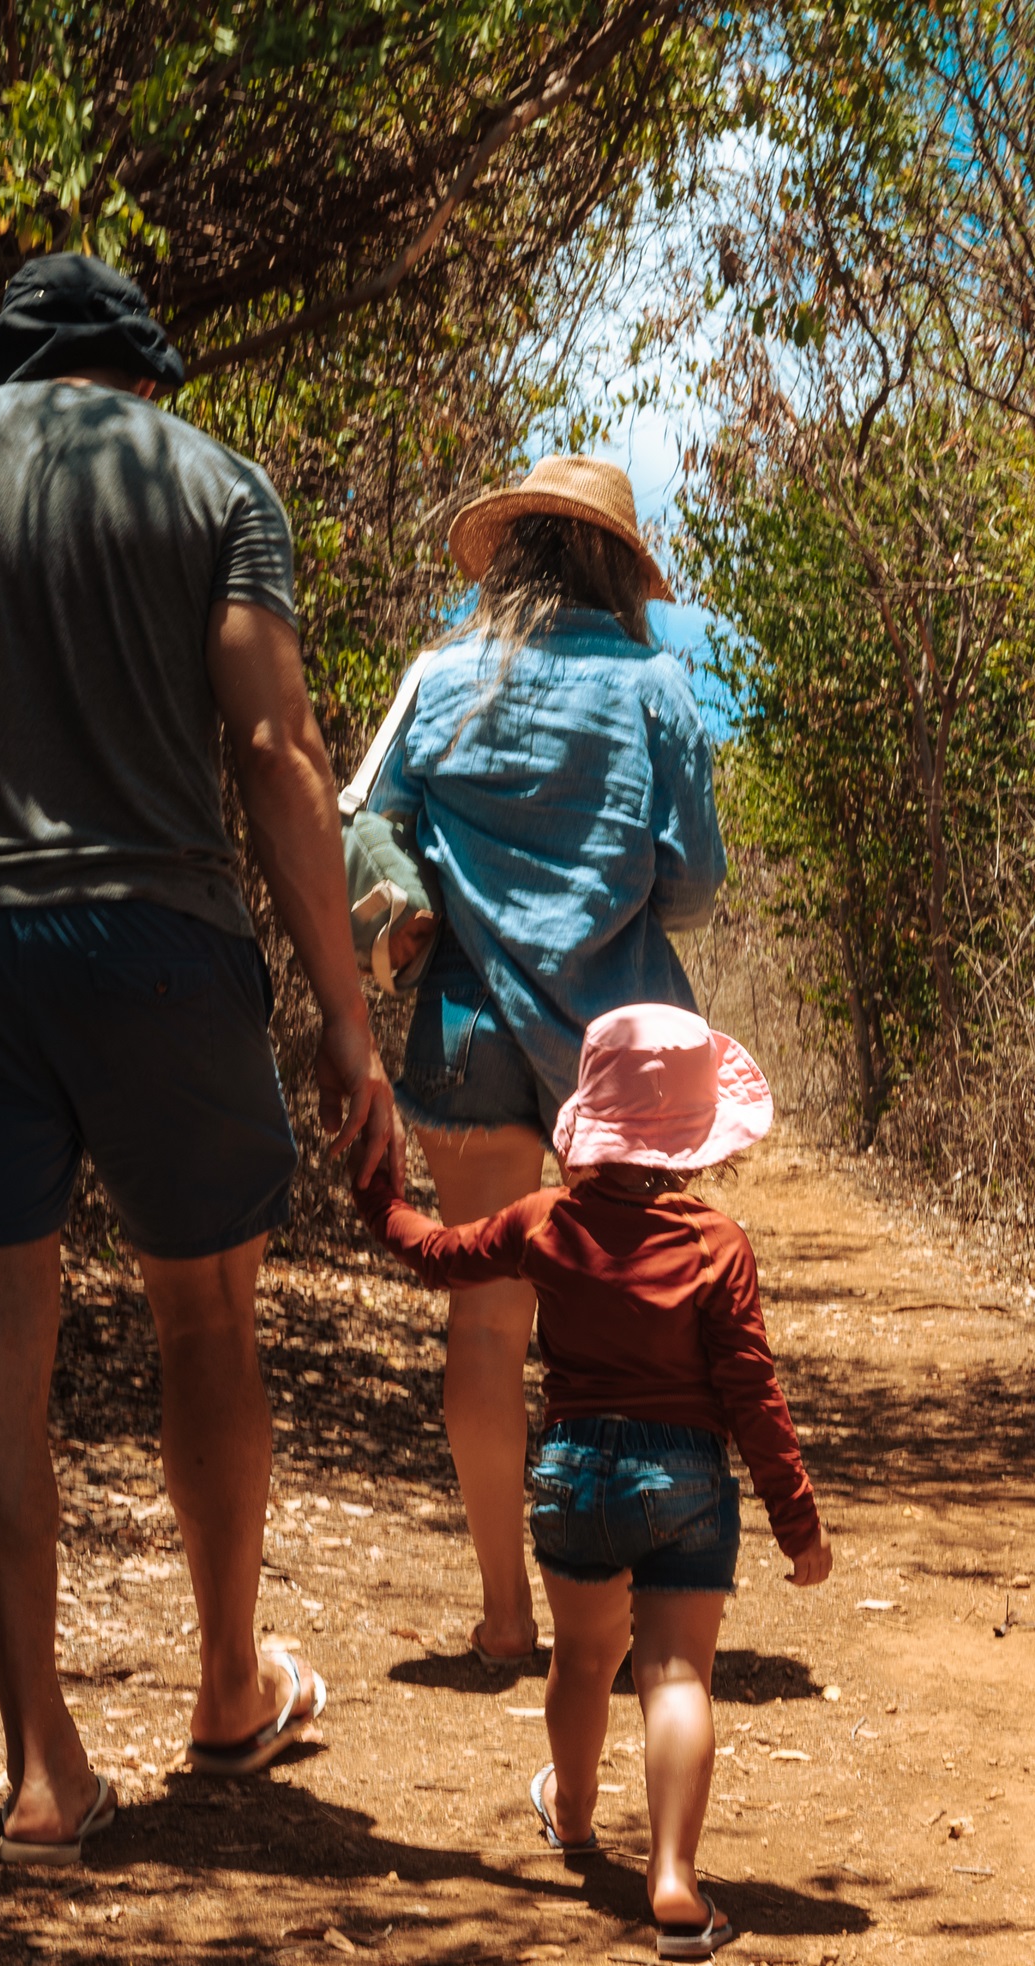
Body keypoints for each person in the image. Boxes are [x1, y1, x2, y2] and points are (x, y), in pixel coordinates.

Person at [0, 253, 397, 1867]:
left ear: (2, 367)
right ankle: (218, 1680)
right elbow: (275, 747)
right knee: (205, 1307)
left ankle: (42, 1762)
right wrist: (341, 1009)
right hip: (157, 940)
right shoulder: (209, 479)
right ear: (137, 377)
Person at [354, 1003, 829, 1960]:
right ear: (696, 1140)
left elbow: (435, 1253)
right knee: (676, 1673)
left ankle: (572, 1817)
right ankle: (675, 1884)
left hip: (572, 1477)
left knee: (580, 1660)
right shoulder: (716, 1246)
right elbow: (752, 1398)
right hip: (685, 1482)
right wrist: (797, 1521)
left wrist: (382, 1193)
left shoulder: (544, 1222)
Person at [352, 456, 722, 1672]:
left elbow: (364, 819)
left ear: (508, 556)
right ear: (616, 566)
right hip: (622, 1059)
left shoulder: (439, 675)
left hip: (465, 1034)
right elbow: (694, 884)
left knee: (486, 1326)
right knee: (630, 1338)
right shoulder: (658, 687)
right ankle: (612, 1618)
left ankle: (508, 1615)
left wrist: (412, 900)